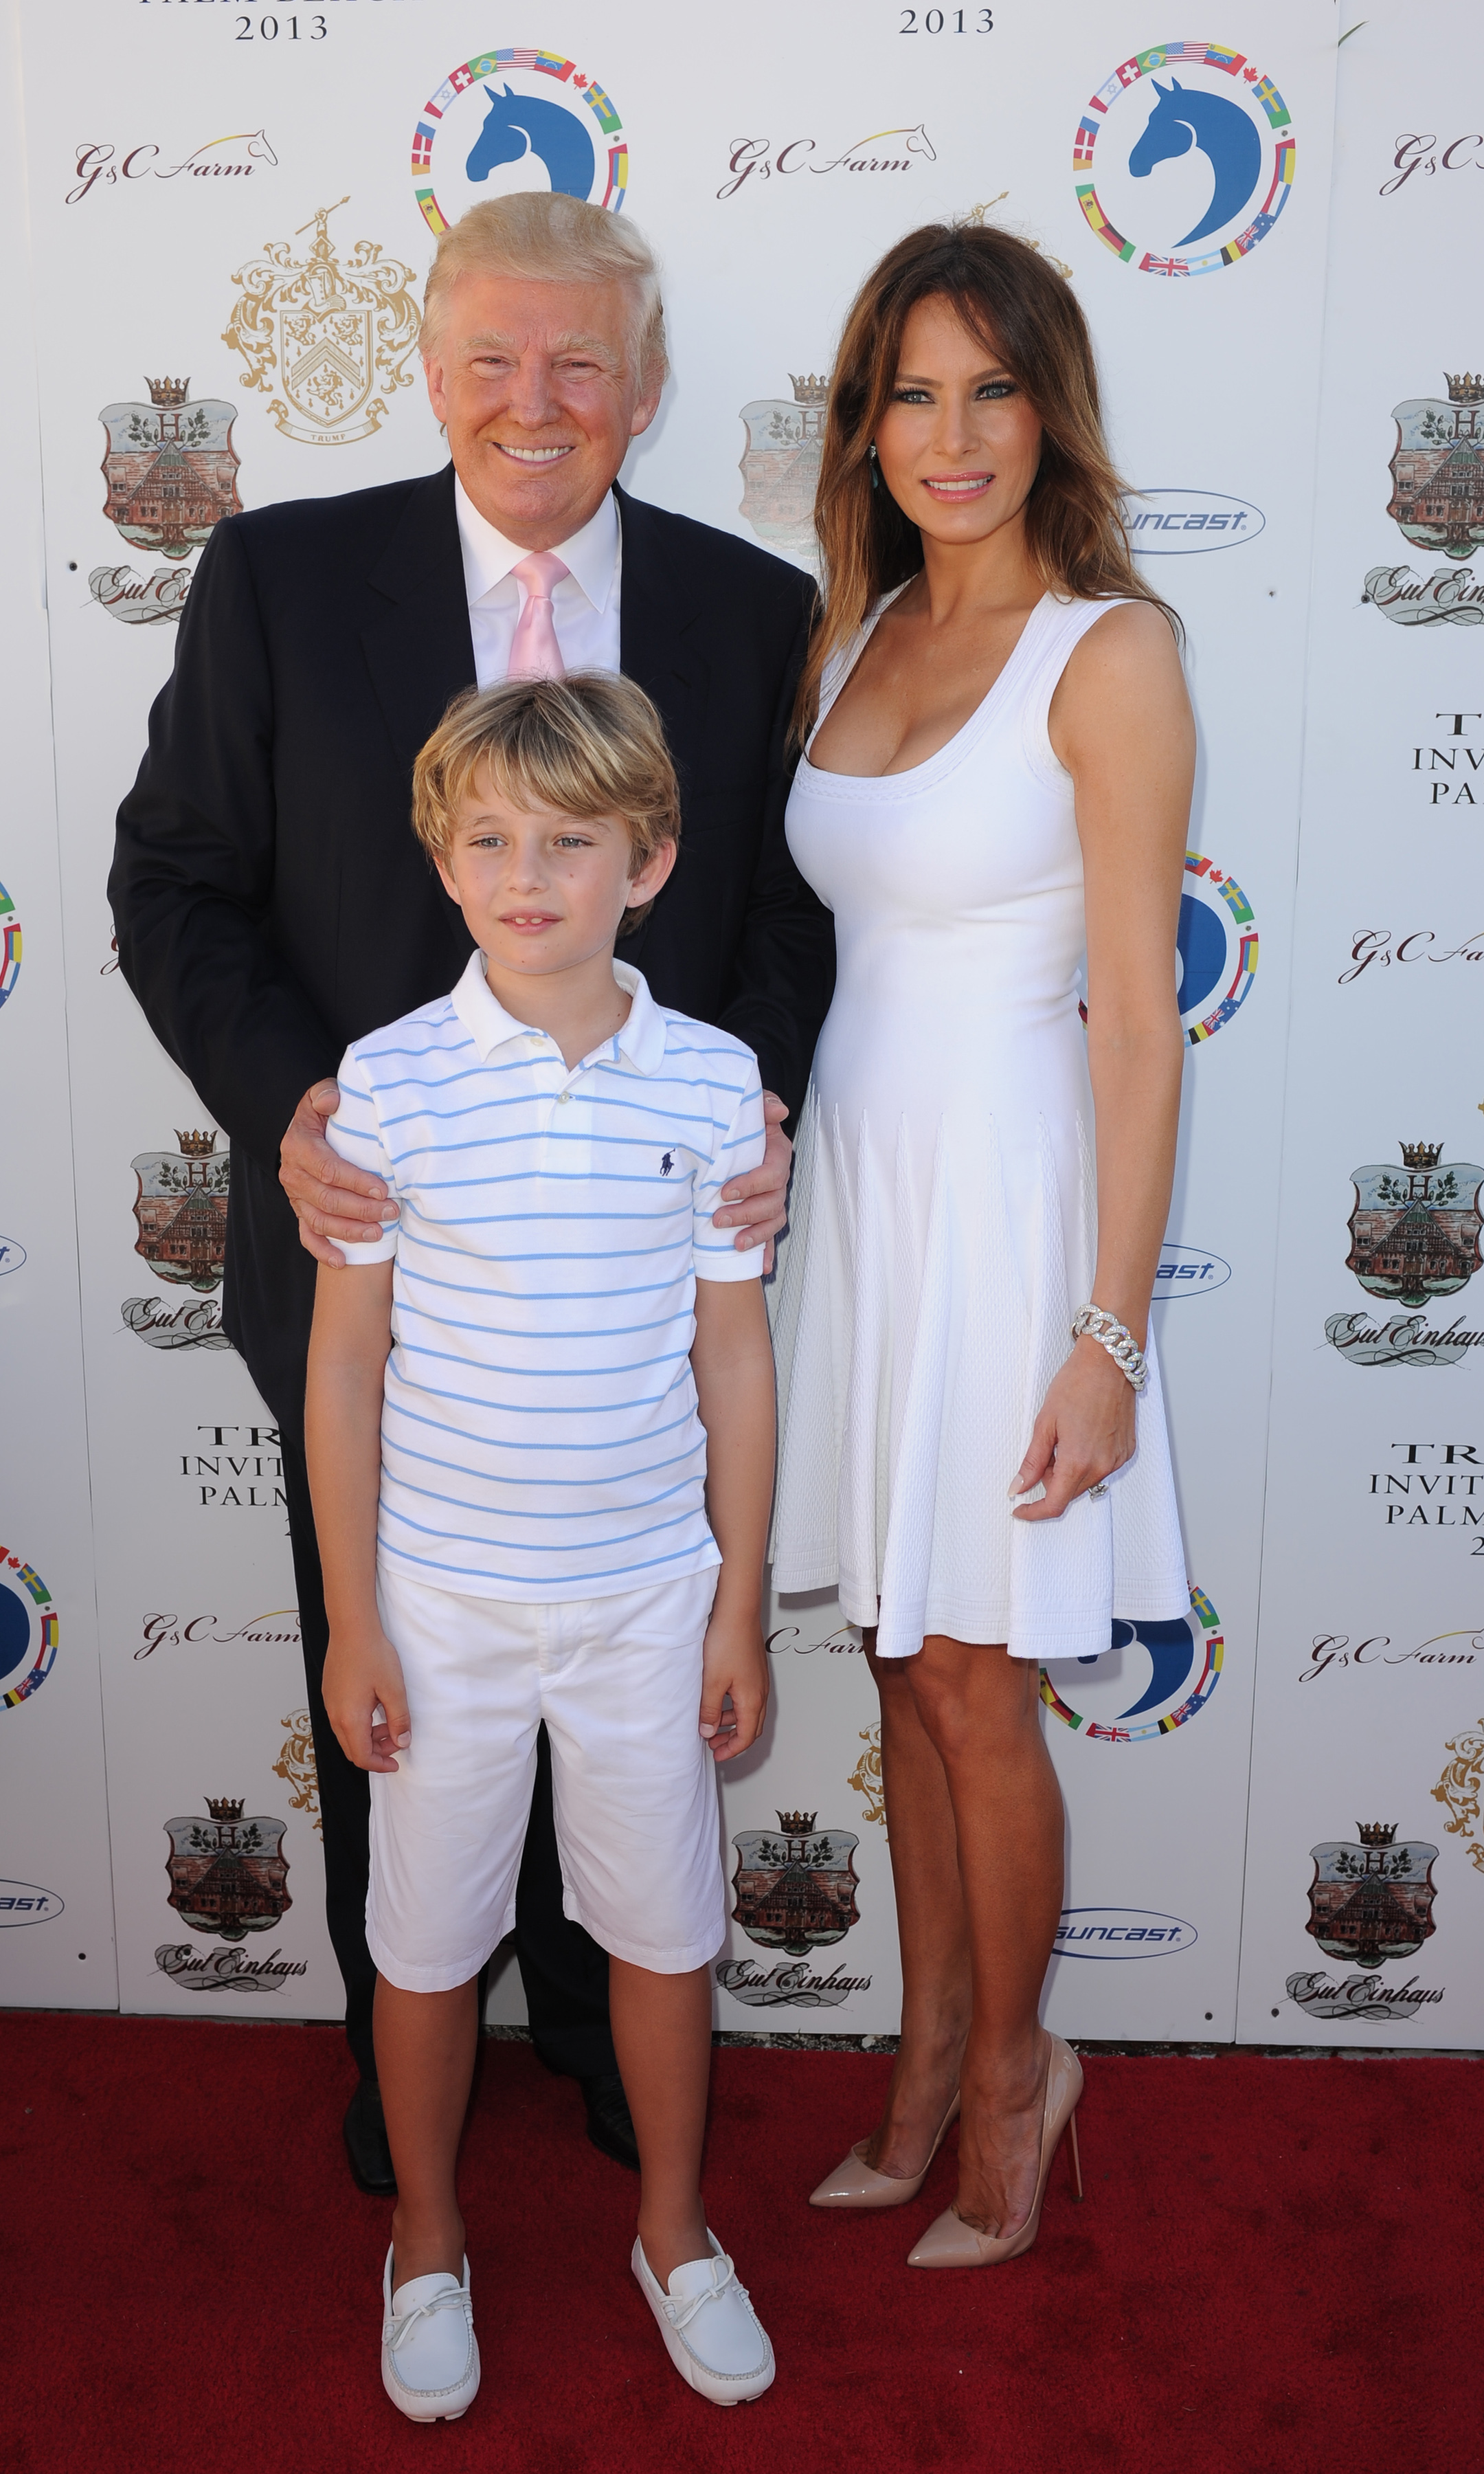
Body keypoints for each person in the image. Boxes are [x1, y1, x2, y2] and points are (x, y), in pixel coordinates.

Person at [109, 191, 833, 2196]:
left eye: (582, 363)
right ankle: (402, 2047)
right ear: (430, 374)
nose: (539, 402)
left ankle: (611, 2034)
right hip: (372, 1257)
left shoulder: (748, 609)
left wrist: (751, 1103)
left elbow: (783, 921)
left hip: (639, 1287)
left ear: (648, 389)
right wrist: (295, 1114)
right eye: (496, 360)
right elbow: (172, 881)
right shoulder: (273, 576)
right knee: (399, 1679)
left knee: (625, 1665)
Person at [771, 220, 1194, 2264]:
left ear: (1052, 409)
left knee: (972, 1688)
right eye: (912, 392)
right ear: (866, 423)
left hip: (1014, 1208)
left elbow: (1138, 1019)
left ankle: (1019, 2083)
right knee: (891, 1651)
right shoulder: (849, 630)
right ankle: (923, 2058)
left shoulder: (1108, 652)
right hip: (863, 1197)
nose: (953, 435)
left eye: (993, 389)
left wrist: (1107, 1334)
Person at [307, 673, 778, 2420]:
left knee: (663, 1935)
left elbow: (734, 1357)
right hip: (437, 1600)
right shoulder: (391, 1083)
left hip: (650, 1598)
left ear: (646, 865)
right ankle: (426, 2240)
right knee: (423, 1944)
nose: (529, 875)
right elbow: (346, 1365)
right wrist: (356, 1618)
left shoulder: (721, 1084)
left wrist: (736, 1605)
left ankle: (674, 2231)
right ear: (442, 862)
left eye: (571, 842)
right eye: (491, 839)